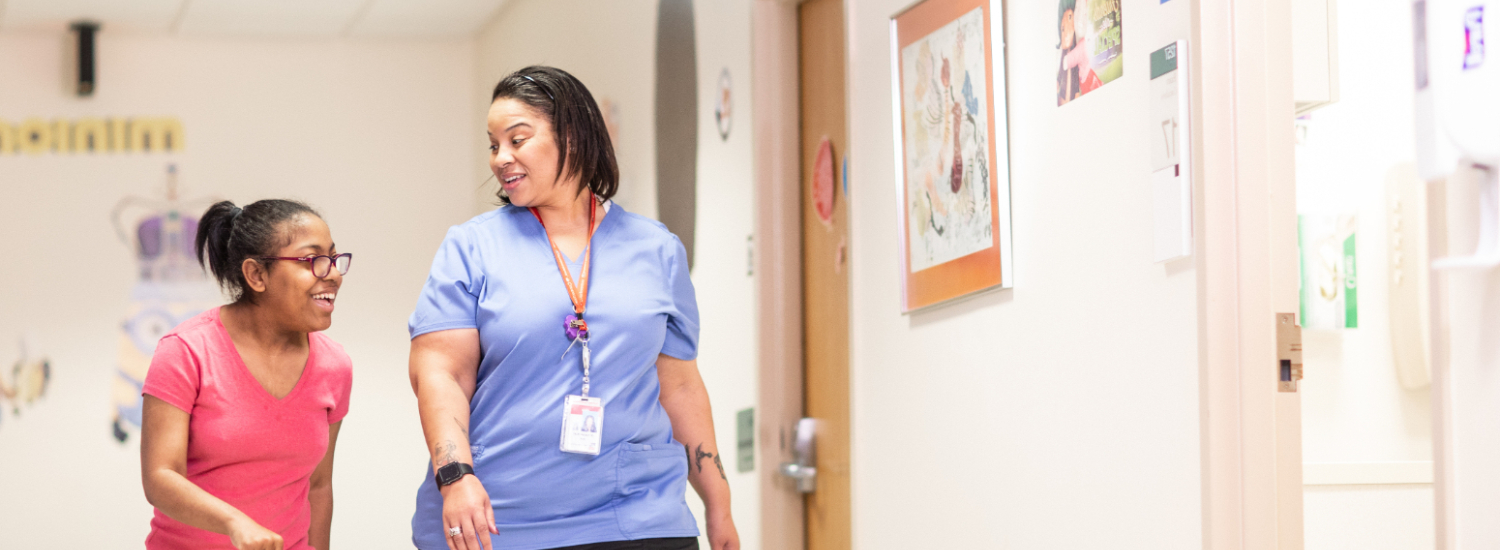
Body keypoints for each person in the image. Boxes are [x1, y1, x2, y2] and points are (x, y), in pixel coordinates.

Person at [408, 65, 741, 550]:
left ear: (573, 136)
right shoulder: (472, 247)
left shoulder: (656, 249)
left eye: (517, 139)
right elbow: (440, 373)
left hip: (638, 513)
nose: (501, 158)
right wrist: (455, 475)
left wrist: (718, 504)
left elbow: (680, 386)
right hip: (501, 516)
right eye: (493, 144)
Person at [140, 199, 354, 550]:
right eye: (311, 260)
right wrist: (235, 523)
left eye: (332, 258)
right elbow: (160, 478)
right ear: (256, 274)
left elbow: (318, 486)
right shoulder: (185, 351)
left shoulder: (335, 365)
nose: (332, 273)